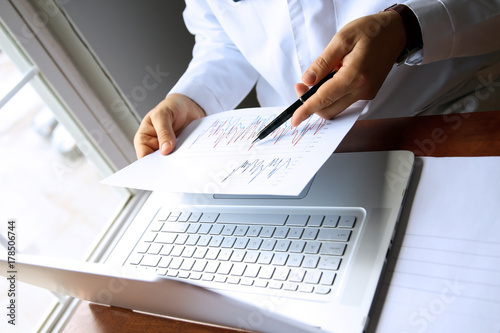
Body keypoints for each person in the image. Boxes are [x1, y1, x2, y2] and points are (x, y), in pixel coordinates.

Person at [134, 0, 500, 159]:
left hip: (449, 116)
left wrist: (406, 28)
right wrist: (193, 96)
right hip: (302, 149)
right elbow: (224, 36)